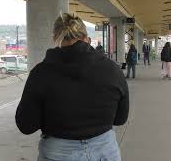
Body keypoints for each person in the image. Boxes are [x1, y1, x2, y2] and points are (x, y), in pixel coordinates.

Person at [15, 13, 129, 161]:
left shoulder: (41, 73)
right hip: (105, 151)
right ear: (86, 38)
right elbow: (120, 119)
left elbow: (26, 125)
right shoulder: (112, 69)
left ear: (56, 38)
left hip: (58, 152)